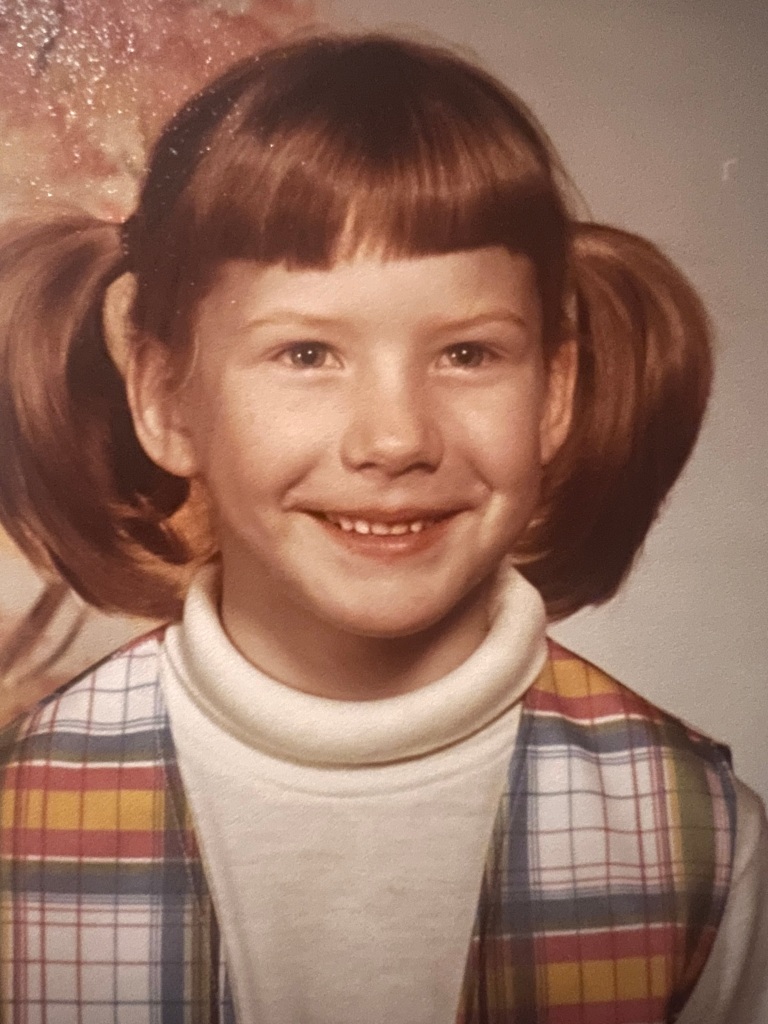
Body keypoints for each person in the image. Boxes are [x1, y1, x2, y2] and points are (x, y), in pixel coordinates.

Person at [0, 32, 765, 1024]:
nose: (397, 438)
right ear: (162, 392)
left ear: (556, 387)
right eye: (309, 351)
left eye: (468, 353)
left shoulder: (694, 841)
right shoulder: (20, 822)